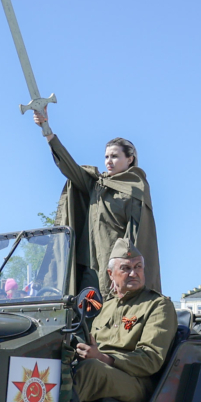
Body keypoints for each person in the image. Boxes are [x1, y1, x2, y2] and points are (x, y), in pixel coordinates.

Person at [31, 107, 160, 297]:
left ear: (130, 159)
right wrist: (47, 131)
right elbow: (70, 167)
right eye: (107, 156)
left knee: (113, 315)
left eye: (115, 156)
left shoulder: (135, 188)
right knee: (84, 315)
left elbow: (135, 235)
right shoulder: (96, 184)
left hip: (116, 265)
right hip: (89, 264)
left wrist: (126, 269)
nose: (109, 161)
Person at [71, 239, 176, 402]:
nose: (134, 274)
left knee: (91, 370)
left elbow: (151, 358)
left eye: (138, 267)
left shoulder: (158, 305)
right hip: (102, 371)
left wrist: (104, 358)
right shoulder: (105, 306)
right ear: (110, 274)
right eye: (126, 268)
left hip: (136, 382)